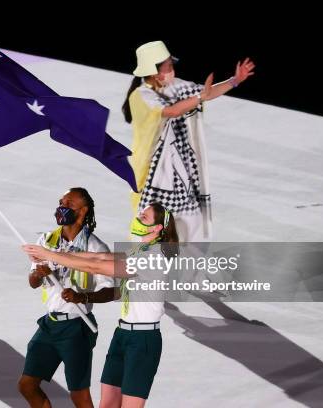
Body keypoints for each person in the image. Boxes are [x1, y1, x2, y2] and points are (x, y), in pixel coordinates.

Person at [23, 202, 178, 408]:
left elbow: (96, 266)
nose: (138, 217)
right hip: (122, 334)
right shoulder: (138, 250)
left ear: (158, 228)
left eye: (145, 217)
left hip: (144, 340)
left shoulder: (153, 256)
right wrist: (51, 253)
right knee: (107, 404)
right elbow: (97, 256)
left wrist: (50, 255)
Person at [123, 40, 255, 240]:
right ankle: (145, 265)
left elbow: (206, 94)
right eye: (168, 65)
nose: (171, 69)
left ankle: (187, 264)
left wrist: (234, 81)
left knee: (189, 223)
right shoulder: (140, 96)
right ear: (153, 71)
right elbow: (172, 111)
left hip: (179, 167)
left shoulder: (175, 87)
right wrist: (201, 97)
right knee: (150, 226)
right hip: (153, 172)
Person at [18, 188, 116, 408]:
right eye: (61, 202)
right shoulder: (46, 240)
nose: (62, 207)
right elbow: (33, 283)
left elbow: (111, 291)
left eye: (69, 204)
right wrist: (37, 273)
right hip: (49, 325)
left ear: (83, 211)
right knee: (27, 385)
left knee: (79, 396)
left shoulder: (95, 247)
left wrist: (82, 297)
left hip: (77, 328)